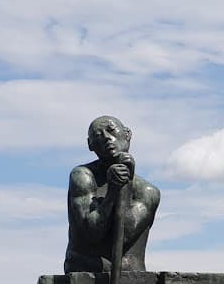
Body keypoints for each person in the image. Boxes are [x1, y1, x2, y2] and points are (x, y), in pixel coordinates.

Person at [63, 115, 161, 274]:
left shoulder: (148, 192)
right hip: (86, 270)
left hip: (130, 277)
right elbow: (91, 234)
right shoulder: (83, 176)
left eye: (111, 130)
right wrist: (112, 193)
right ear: (90, 145)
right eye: (98, 136)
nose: (107, 138)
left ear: (127, 134)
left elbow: (123, 236)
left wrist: (125, 185)